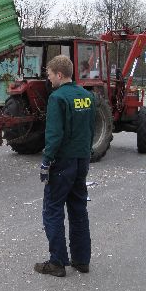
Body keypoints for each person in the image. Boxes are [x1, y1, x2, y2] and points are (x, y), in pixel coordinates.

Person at [34, 55, 95, 277]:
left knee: (53, 210)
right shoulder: (87, 97)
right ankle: (81, 260)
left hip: (62, 163)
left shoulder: (57, 98)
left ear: (59, 75)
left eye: (50, 75)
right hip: (81, 161)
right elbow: (90, 130)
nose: (49, 80)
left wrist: (46, 161)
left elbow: (54, 134)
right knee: (79, 209)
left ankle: (57, 262)